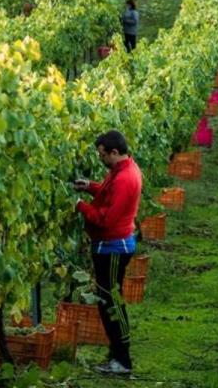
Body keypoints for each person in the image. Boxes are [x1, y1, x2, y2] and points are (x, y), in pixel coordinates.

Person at [73, 130, 143, 376]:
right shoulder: (122, 170)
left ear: (114, 152)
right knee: (108, 302)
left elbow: (106, 219)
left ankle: (123, 359)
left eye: (103, 155)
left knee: (112, 302)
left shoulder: (125, 178)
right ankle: (117, 354)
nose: (101, 159)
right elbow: (107, 194)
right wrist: (90, 187)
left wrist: (79, 206)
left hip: (114, 247)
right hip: (110, 246)